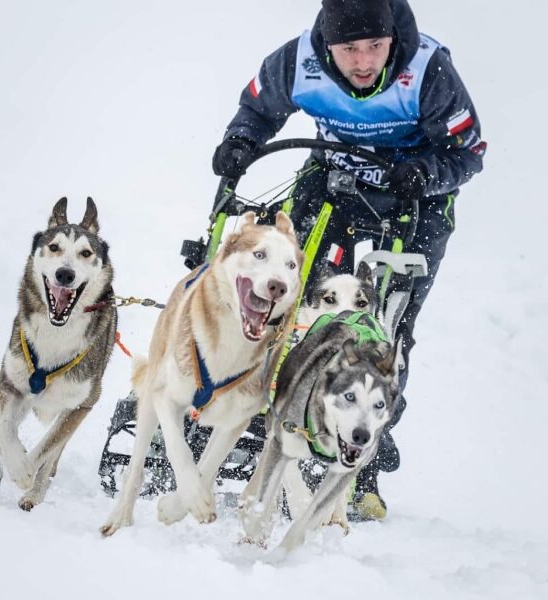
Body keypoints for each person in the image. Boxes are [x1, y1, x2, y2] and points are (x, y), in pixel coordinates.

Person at [212, 0, 486, 520]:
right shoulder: (297, 62)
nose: (362, 62)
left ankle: (366, 460)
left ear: (392, 42)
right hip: (334, 181)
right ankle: (269, 416)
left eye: (375, 48)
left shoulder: (429, 71)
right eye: (349, 50)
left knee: (385, 330)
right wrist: (240, 142)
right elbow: (256, 111)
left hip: (416, 195)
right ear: (327, 46)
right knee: (290, 303)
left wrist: (426, 171)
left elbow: (469, 150)